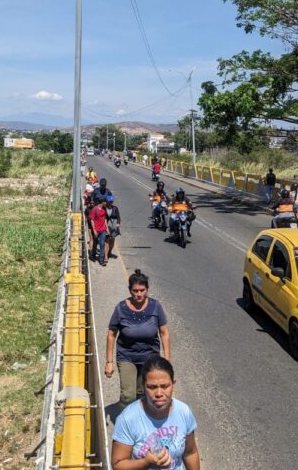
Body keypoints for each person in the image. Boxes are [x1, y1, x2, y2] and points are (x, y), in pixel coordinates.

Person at [111, 356, 200, 470]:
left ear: (173, 384)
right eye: (152, 387)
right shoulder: (127, 419)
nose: (159, 393)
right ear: (143, 386)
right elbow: (118, 464)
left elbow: (190, 453)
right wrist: (145, 462)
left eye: (164, 386)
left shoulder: (184, 412)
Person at [106, 270, 170, 408]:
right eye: (135, 291)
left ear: (147, 290)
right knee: (128, 396)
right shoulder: (121, 308)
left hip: (149, 357)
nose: (139, 294)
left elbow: (164, 333)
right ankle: (126, 423)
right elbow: (111, 334)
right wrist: (109, 362)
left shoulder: (155, 307)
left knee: (144, 393)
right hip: (126, 356)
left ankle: (142, 422)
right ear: (130, 290)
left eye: (142, 290)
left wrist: (166, 359)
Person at [89, 195, 109, 265]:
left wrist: (107, 228)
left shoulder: (104, 209)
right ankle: (93, 256)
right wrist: (94, 230)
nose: (106, 203)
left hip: (102, 230)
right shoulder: (94, 209)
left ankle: (101, 260)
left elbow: (105, 219)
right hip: (96, 230)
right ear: (102, 202)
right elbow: (91, 220)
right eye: (105, 202)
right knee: (95, 244)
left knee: (102, 244)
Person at [105, 194, 122, 259]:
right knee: (106, 241)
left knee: (112, 241)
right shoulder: (104, 208)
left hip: (114, 227)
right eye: (110, 201)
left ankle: (109, 252)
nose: (111, 202)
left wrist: (118, 223)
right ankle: (106, 255)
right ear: (107, 201)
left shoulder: (115, 208)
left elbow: (118, 217)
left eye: (112, 201)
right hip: (106, 226)